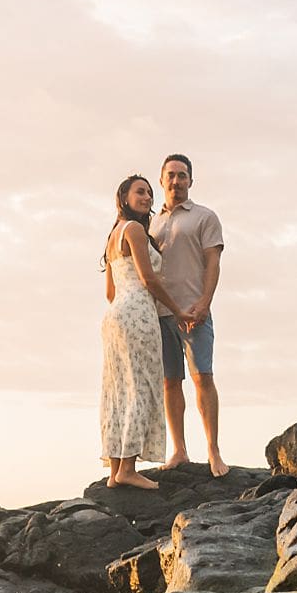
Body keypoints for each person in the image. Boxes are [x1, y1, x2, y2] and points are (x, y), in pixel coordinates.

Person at [100, 174, 191, 490]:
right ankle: (128, 467)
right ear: (124, 196)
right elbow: (149, 279)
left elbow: (110, 291)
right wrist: (178, 311)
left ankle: (115, 471)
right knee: (140, 386)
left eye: (150, 193)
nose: (147, 197)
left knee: (118, 390)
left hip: (115, 315)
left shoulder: (114, 234)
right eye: (140, 192)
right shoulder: (136, 229)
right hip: (138, 310)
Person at [149, 153, 227, 475]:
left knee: (202, 378)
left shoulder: (204, 217)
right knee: (170, 382)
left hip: (194, 312)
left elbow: (213, 263)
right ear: (162, 180)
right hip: (161, 314)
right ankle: (179, 450)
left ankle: (213, 450)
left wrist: (205, 302)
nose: (176, 181)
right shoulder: (150, 222)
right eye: (171, 175)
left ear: (191, 181)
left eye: (182, 176)